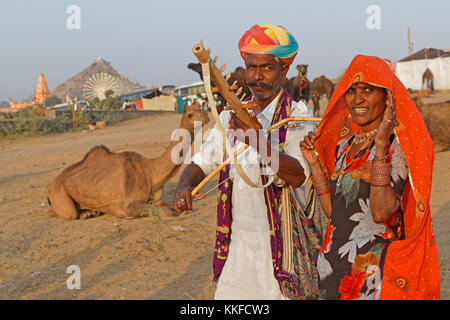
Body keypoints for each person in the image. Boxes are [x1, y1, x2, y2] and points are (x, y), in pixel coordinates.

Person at [173, 24, 316, 299]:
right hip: (237, 249)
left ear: (284, 71)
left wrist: (257, 141)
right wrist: (183, 185)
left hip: (284, 251)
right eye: (251, 67)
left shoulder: (297, 116)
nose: (257, 76)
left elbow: (299, 174)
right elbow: (202, 161)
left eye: (267, 68)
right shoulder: (229, 117)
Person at [300, 54, 440, 300]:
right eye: (352, 90)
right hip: (332, 266)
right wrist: (315, 167)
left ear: (387, 97)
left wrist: (380, 147)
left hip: (370, 274)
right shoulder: (345, 145)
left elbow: (381, 213)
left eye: (368, 90)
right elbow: (335, 213)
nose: (358, 99)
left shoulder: (396, 148)